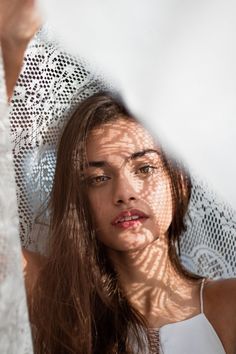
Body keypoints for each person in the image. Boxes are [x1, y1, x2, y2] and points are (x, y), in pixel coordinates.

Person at [1, 2, 236, 354]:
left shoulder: (228, 305)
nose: (124, 193)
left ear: (180, 182)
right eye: (98, 178)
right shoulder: (60, 302)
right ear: (79, 198)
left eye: (144, 169)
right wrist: (13, 43)